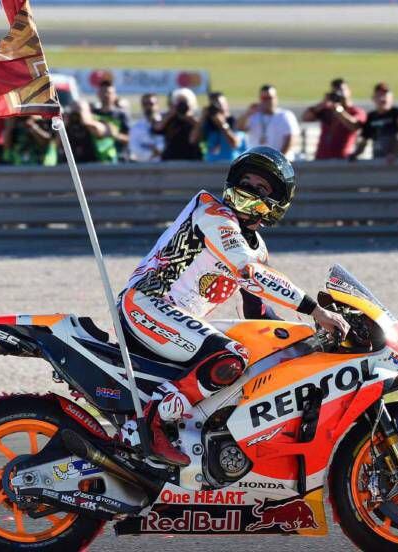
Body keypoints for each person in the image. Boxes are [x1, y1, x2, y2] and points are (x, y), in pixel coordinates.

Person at [116, 146, 350, 465]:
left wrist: (306, 342)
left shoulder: (256, 248)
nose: (247, 191)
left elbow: (257, 311)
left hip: (171, 320)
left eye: (259, 189)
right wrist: (315, 311)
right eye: (245, 182)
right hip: (146, 304)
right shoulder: (213, 215)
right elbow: (251, 274)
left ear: (274, 205)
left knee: (252, 355)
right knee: (230, 356)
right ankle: (149, 424)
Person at [302, 78, 366, 160]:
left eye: (341, 90)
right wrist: (322, 104)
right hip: (321, 158)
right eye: (335, 91)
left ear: (349, 91)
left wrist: (340, 111)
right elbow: (306, 117)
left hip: (342, 159)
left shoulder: (356, 111)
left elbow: (354, 126)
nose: (339, 94)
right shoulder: (327, 110)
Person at [237, 85, 300, 160]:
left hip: (280, 161)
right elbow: (240, 127)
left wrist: (278, 158)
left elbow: (291, 139)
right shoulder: (254, 115)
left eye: (269, 98)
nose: (267, 101)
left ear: (276, 98)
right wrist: (247, 113)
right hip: (257, 161)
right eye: (264, 98)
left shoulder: (285, 115)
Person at [351, 82, 398, 161]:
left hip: (393, 160)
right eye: (379, 95)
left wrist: (393, 153)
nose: (382, 99)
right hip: (377, 159)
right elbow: (365, 138)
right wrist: (355, 154)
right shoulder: (371, 117)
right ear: (373, 98)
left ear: (391, 98)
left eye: (385, 95)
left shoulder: (396, 113)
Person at [192, 92, 246, 163]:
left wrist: (223, 125)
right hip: (211, 164)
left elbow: (235, 144)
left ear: (226, 105)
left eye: (219, 104)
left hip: (229, 164)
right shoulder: (208, 123)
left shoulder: (232, 121)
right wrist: (203, 118)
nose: (217, 108)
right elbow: (193, 140)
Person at [155, 88, 202, 161]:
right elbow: (157, 128)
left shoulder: (196, 118)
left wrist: (189, 117)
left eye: (184, 102)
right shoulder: (169, 117)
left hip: (192, 158)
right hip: (171, 158)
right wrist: (171, 114)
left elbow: (201, 130)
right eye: (179, 102)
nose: (182, 106)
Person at [91, 80, 130, 162]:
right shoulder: (92, 114)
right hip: (96, 161)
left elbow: (130, 139)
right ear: (98, 94)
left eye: (109, 92)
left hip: (118, 160)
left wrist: (115, 135)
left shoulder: (121, 115)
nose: (106, 95)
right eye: (103, 92)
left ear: (115, 95)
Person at [61, 100, 111, 165]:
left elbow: (101, 132)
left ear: (88, 111)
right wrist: (63, 124)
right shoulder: (68, 124)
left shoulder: (96, 120)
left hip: (95, 163)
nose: (76, 114)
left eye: (79, 110)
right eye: (74, 110)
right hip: (72, 163)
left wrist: (86, 121)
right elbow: (57, 143)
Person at [128, 93, 165, 163]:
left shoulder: (165, 124)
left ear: (157, 105)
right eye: (145, 104)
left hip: (164, 167)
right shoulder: (136, 128)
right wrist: (152, 153)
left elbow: (164, 146)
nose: (148, 107)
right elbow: (134, 149)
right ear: (142, 106)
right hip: (144, 168)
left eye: (151, 104)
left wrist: (158, 150)